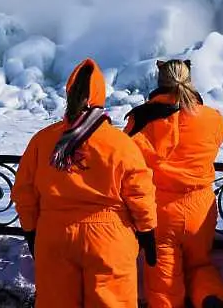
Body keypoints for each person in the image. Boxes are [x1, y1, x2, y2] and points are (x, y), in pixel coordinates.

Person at [11, 57, 159, 308]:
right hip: (108, 238)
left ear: (69, 93)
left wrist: (31, 231)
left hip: (54, 235)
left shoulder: (43, 141)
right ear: (101, 98)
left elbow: (24, 191)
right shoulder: (120, 143)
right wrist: (147, 231)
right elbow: (139, 192)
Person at [124, 59, 223, 308]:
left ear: (160, 82)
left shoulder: (142, 119)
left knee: (164, 280)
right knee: (200, 265)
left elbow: (124, 153)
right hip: (201, 210)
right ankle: (210, 298)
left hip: (160, 212)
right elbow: (220, 135)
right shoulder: (211, 117)